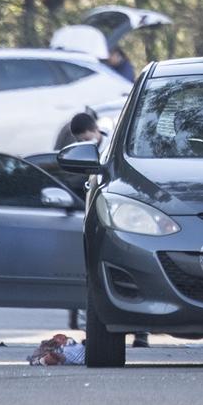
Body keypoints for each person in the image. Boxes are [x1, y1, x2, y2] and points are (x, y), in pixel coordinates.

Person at [68, 113, 150, 348]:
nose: (89, 143)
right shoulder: (81, 152)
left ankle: (141, 333)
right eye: (82, 140)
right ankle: (93, 331)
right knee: (95, 278)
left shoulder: (116, 146)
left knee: (135, 271)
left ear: (96, 131)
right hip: (94, 218)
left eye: (89, 138)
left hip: (122, 218)